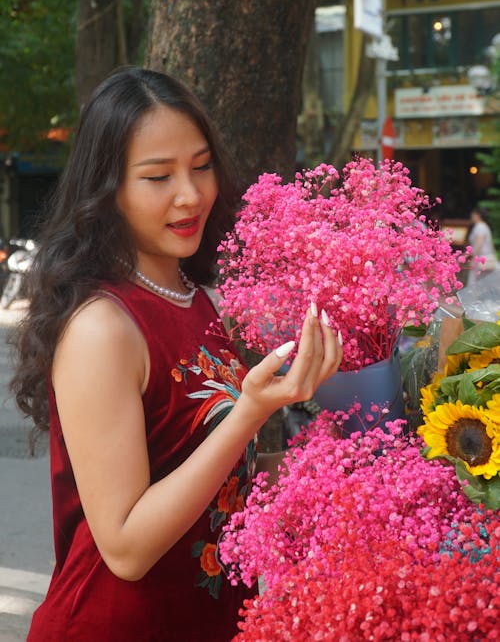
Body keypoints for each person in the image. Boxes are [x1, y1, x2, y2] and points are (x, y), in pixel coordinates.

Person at [10, 67, 342, 642]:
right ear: (107, 189)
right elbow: (126, 547)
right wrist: (251, 412)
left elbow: (206, 474)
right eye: (158, 176)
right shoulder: (103, 326)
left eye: (202, 165)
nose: (190, 194)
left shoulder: (196, 299)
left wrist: (327, 473)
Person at [466, 205, 499, 286]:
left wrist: (473, 257)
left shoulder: (479, 227)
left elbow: (479, 244)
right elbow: (491, 245)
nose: (471, 216)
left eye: (473, 214)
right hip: (487, 257)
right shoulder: (484, 226)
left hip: (481, 258)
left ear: (477, 215)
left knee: (474, 283)